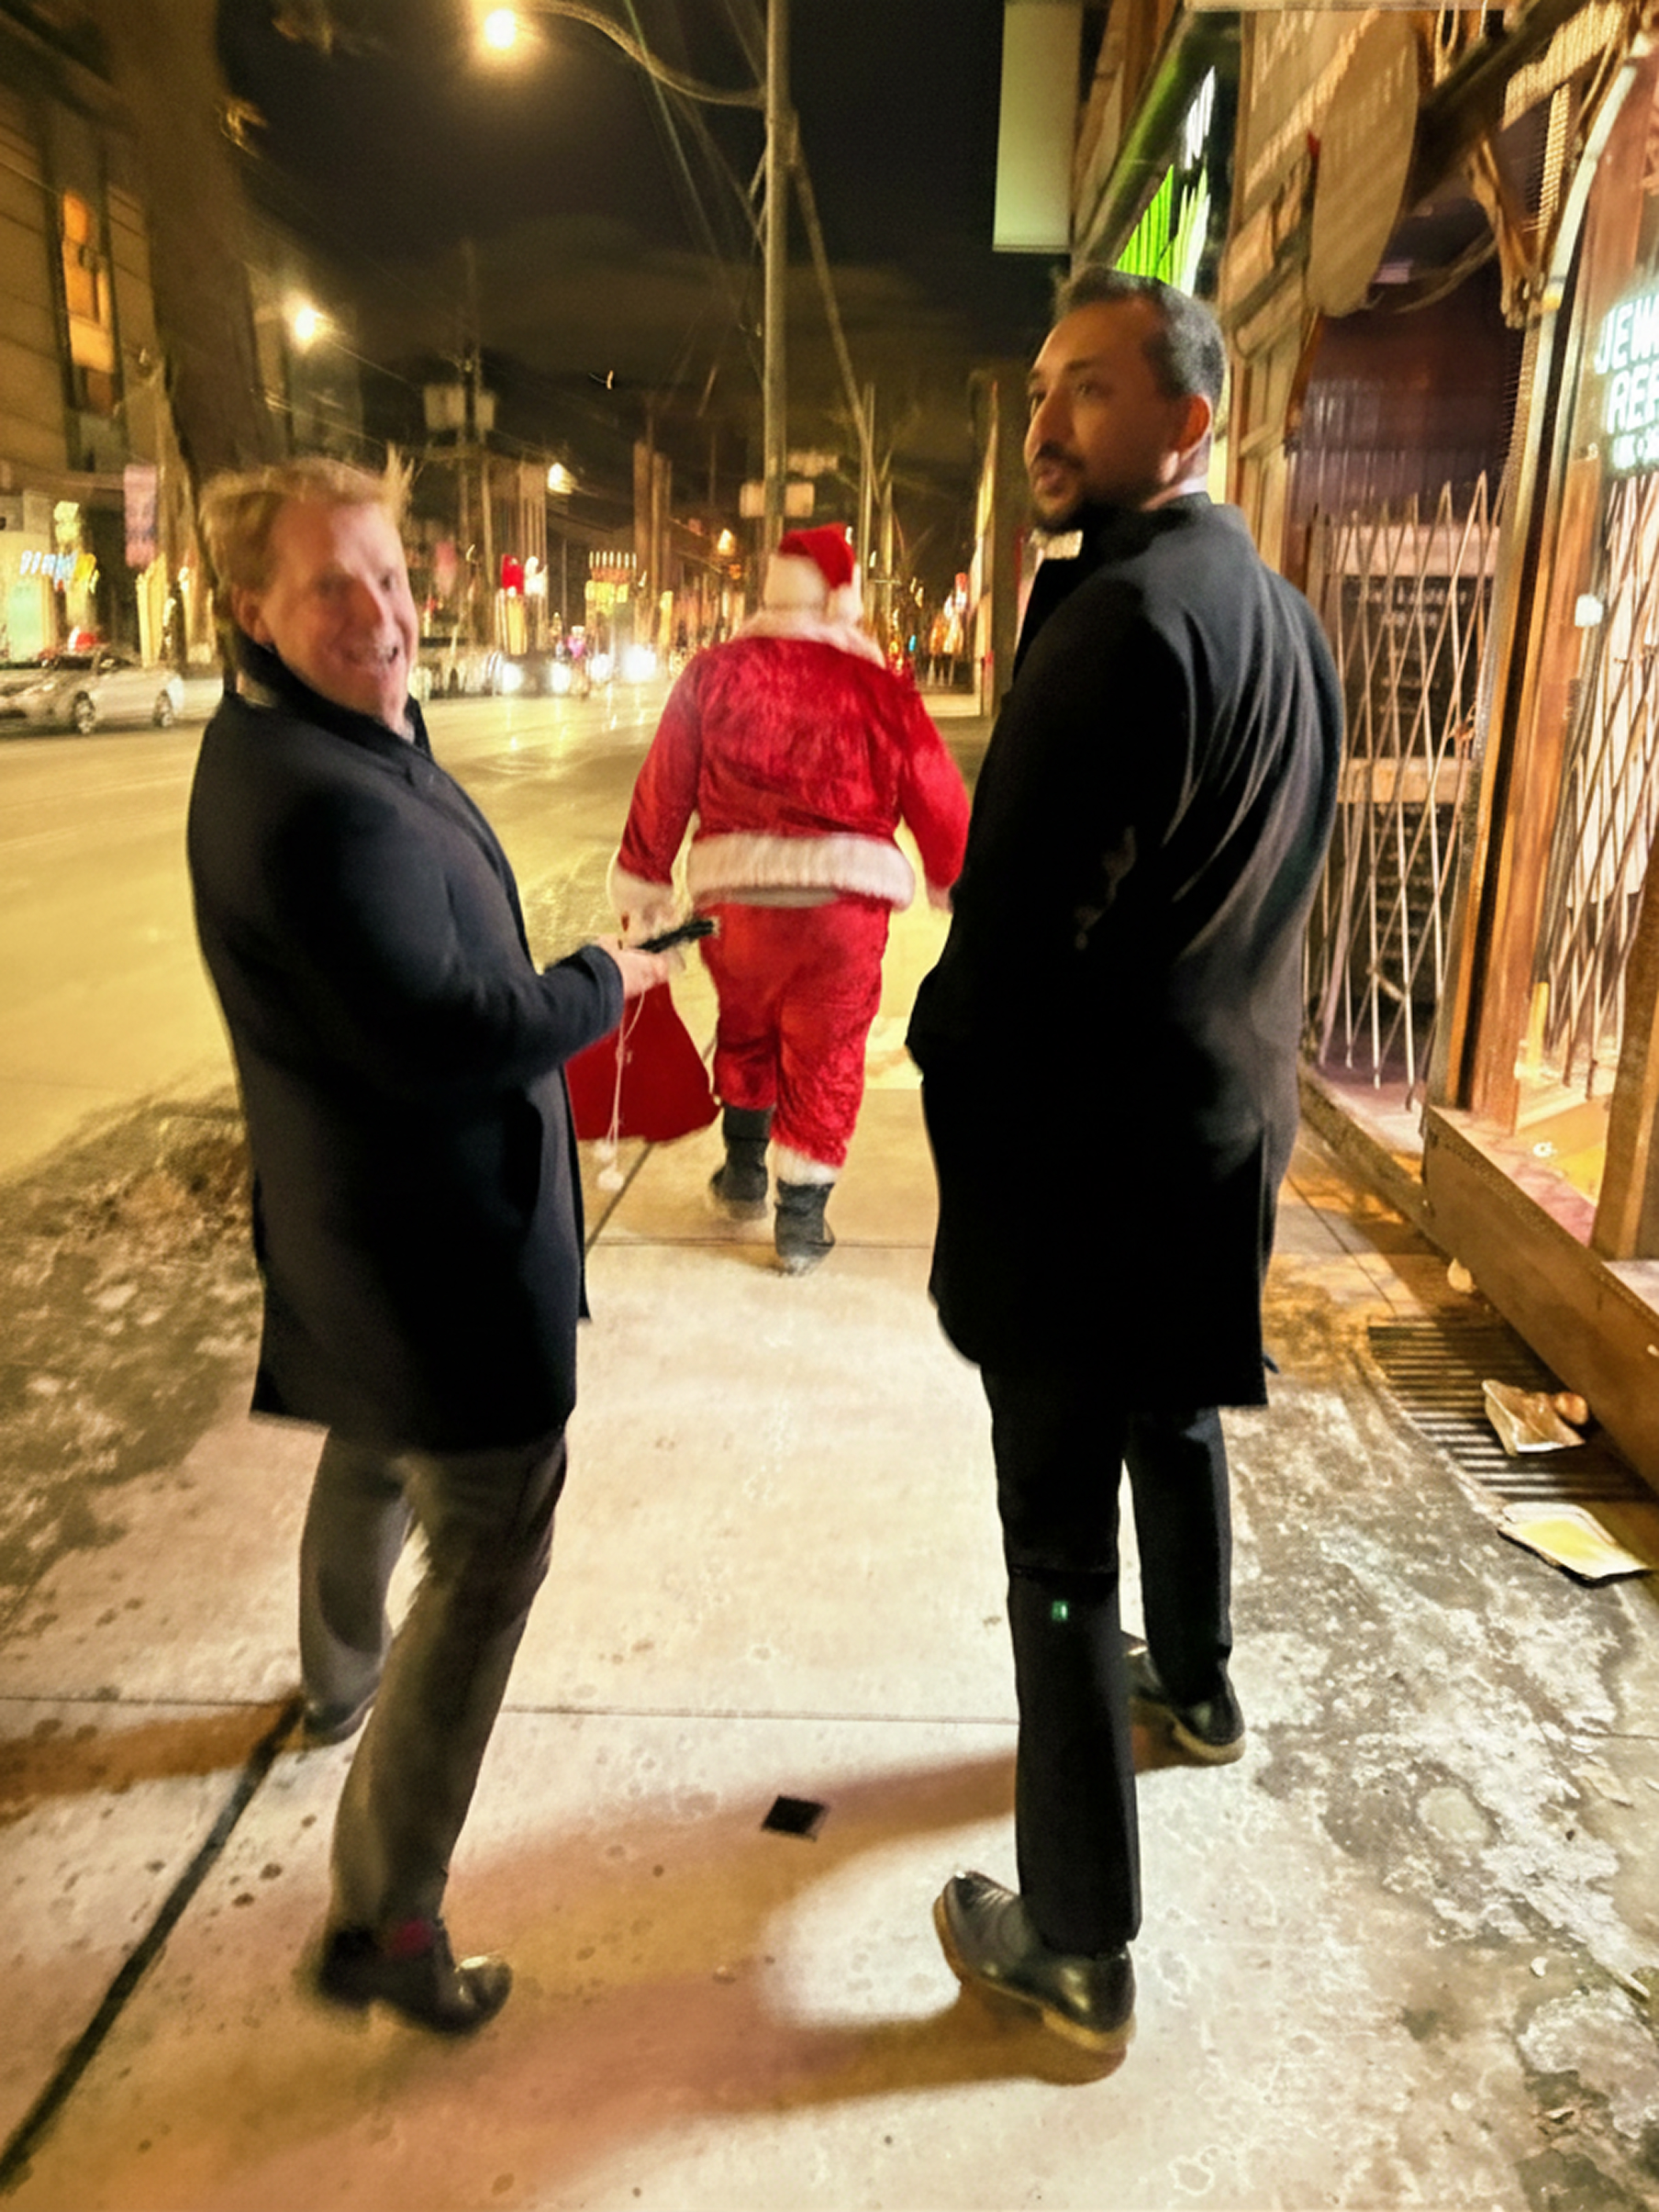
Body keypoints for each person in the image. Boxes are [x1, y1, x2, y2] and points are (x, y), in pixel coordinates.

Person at [907, 271, 1342, 2060]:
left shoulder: (1117, 631)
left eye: (1087, 390)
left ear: (1187, 421)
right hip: (1217, 1136)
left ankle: (1075, 1941)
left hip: (1089, 1176)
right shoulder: (1276, 616)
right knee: (1176, 1417)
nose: (1046, 420)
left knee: (1053, 1552)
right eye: (1040, 387)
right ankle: (1205, 1682)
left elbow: (1006, 954)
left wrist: (942, 1069)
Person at [187, 456, 669, 2035]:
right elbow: (457, 1035)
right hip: (436, 1263)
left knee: (372, 1451)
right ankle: (383, 1921)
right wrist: (609, 980)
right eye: (333, 586)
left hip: (376, 1250)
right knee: (484, 1556)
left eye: (391, 577)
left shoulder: (325, 734)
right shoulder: (318, 805)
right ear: (249, 606)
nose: (380, 614)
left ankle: (335, 1682)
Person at [609, 526, 970, 1271]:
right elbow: (934, 790)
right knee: (827, 1053)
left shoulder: (713, 673)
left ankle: (742, 1172)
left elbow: (665, 781)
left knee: (745, 1028)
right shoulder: (879, 688)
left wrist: (646, 880)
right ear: (843, 599)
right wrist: (955, 875)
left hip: (734, 906)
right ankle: (800, 1219)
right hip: (843, 912)